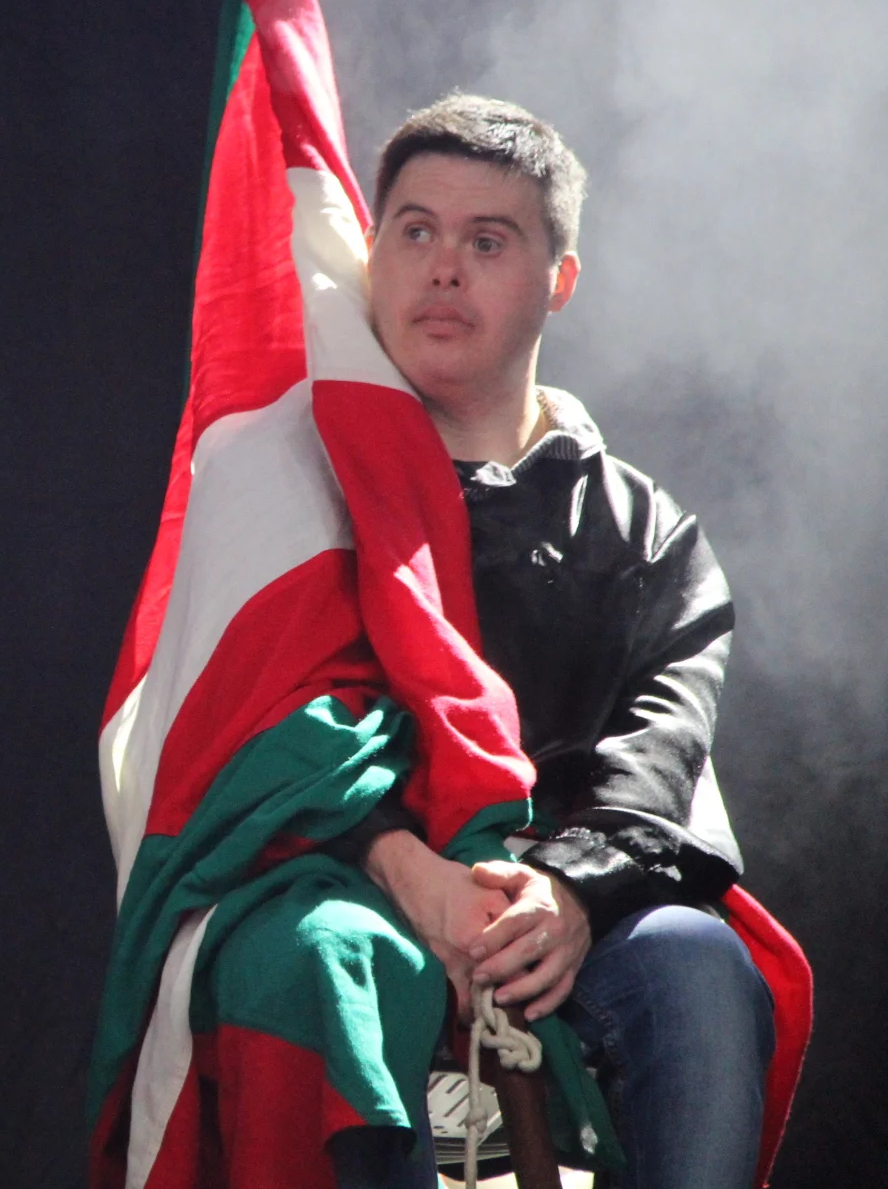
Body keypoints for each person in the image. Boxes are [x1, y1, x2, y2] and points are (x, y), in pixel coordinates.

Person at [332, 93, 774, 1187]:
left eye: (488, 242)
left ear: (559, 279)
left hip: (572, 906)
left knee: (695, 968)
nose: (444, 269)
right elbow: (273, 725)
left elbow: (660, 756)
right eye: (416, 231)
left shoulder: (648, 533)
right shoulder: (302, 489)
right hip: (354, 881)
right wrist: (409, 870)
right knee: (322, 970)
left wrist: (570, 893)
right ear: (372, 255)